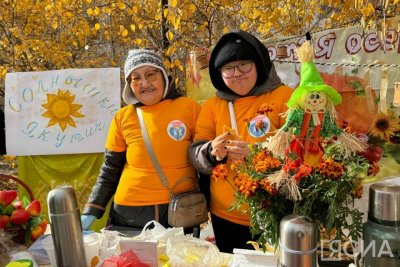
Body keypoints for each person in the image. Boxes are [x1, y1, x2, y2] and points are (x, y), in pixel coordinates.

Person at [189, 29, 293, 253]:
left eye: (244, 64)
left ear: (258, 63)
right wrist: (210, 151)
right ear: (219, 73)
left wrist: (257, 154)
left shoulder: (284, 96)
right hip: (225, 216)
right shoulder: (212, 106)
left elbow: (300, 150)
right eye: (228, 68)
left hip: (274, 210)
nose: (237, 73)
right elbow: (195, 153)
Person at [81, 49, 201, 233]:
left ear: (163, 76)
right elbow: (110, 169)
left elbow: (204, 160)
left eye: (151, 74)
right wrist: (92, 210)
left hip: (180, 210)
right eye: (135, 78)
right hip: (129, 215)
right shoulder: (123, 117)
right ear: (129, 85)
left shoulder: (189, 108)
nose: (145, 83)